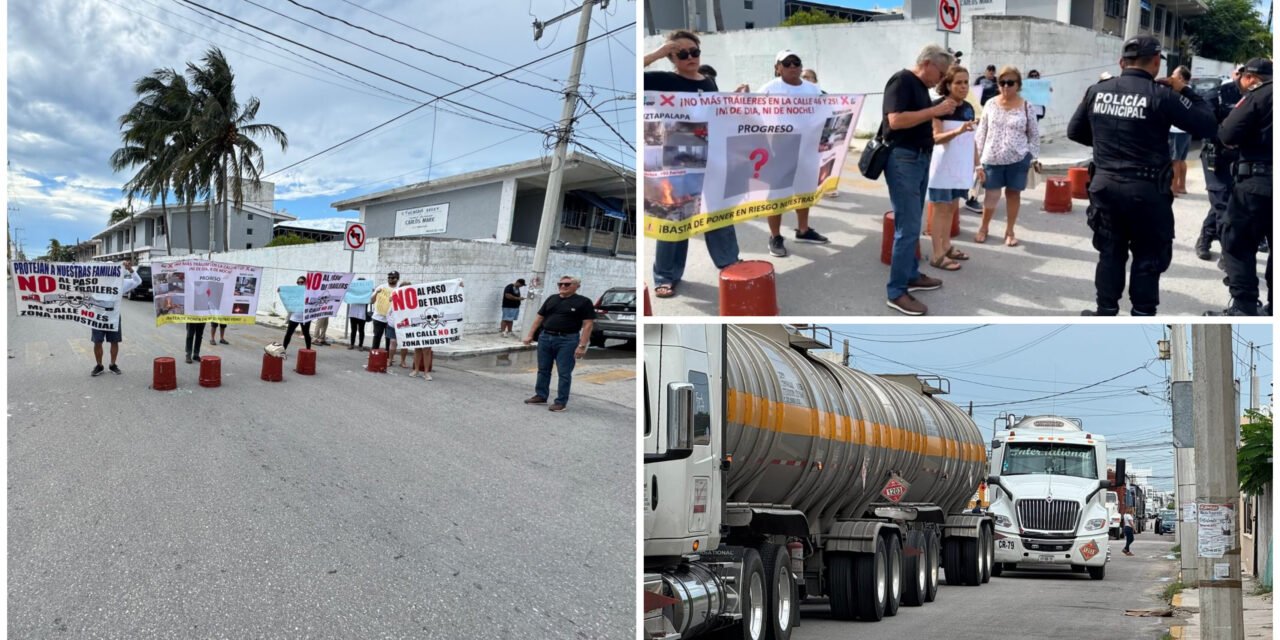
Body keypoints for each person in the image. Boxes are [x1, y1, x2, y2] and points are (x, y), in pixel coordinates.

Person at [1067, 35, 1216, 316]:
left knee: (1110, 251)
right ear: (1157, 62)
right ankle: (1143, 313)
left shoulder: (1097, 90)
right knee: (1148, 255)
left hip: (1105, 185)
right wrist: (1184, 89)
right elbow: (1208, 124)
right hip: (1146, 190)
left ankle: (1105, 311)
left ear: (1122, 62)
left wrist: (1106, 147)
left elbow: (1074, 131)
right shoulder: (1162, 95)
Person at [643, 30, 741, 299]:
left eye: (694, 52)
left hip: (709, 158)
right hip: (676, 162)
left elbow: (714, 117)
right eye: (682, 53)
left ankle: (729, 262)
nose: (690, 57)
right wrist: (657, 53)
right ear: (672, 58)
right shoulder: (662, 80)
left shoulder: (709, 83)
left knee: (718, 213)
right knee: (674, 218)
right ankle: (666, 275)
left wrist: (734, 101)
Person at [881, 44, 955, 316]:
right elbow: (896, 120)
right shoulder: (902, 80)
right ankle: (896, 291)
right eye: (941, 72)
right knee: (908, 227)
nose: (941, 79)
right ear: (927, 63)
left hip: (918, 158)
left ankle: (910, 275)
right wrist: (934, 111)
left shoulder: (921, 87)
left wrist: (935, 109)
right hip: (904, 159)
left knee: (912, 223)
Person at [1212, 57, 1273, 316]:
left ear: (1250, 78)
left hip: (1257, 184)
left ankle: (1244, 307)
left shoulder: (1258, 95)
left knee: (1236, 242)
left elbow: (1227, 133)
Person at [759, 50, 831, 257]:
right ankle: (775, 236)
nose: (792, 66)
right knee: (776, 194)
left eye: (796, 62)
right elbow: (752, 114)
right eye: (787, 63)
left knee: (804, 190)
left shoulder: (813, 89)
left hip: (807, 149)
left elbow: (826, 111)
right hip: (779, 150)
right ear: (777, 68)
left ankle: (803, 229)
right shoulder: (768, 89)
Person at [974, 66, 1041, 247]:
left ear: (1018, 85)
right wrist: (977, 161)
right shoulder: (990, 104)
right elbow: (981, 133)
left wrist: (1030, 156)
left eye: (1010, 83)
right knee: (991, 196)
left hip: (1018, 159)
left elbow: (1034, 134)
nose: (1005, 86)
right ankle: (984, 227)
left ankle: (1010, 231)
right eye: (1002, 82)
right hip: (992, 158)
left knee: (1013, 195)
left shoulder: (1027, 106)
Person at [927, 63, 977, 271]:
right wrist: (958, 131)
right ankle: (937, 254)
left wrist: (978, 165)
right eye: (958, 83)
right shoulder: (938, 106)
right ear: (948, 85)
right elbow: (936, 138)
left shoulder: (968, 108)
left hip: (959, 167)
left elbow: (973, 140)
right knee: (940, 209)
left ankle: (946, 246)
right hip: (941, 167)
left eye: (966, 82)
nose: (963, 86)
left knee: (951, 208)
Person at [522, 275, 595, 412]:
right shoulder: (552, 299)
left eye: (567, 284)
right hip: (545, 337)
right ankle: (541, 395)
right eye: (560, 284)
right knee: (543, 369)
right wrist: (530, 335)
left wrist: (582, 345)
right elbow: (539, 318)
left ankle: (561, 402)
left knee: (564, 373)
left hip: (567, 340)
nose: (562, 286)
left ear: (576, 286)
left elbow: (588, 324)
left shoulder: (584, 302)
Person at [1195, 67, 1243, 261]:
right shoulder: (1218, 94)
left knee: (1226, 199)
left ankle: (1205, 236)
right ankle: (1228, 253)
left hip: (1237, 156)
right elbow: (1205, 124)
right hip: (1214, 154)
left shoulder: (1253, 97)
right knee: (1222, 200)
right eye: (1239, 73)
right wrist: (1223, 136)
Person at [90, 259, 143, 376]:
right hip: (97, 317)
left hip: (113, 318)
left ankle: (113, 364)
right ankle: (99, 365)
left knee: (114, 341)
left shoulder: (120, 283)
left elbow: (138, 281)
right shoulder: (95, 282)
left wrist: (130, 269)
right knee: (97, 342)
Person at [1168, 66, 1194, 196]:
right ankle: (1181, 186)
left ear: (1180, 78)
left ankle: (1173, 189)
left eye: (1173, 74)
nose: (1171, 76)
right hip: (1186, 131)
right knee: (1181, 160)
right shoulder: (1190, 92)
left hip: (1177, 131)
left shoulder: (1179, 92)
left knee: (1175, 160)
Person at [280, 275, 312, 355]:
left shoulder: (309, 292)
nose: (300, 284)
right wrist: (281, 291)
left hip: (305, 318)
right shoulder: (295, 291)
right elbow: (287, 295)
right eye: (298, 282)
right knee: (288, 334)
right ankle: (283, 351)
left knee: (306, 334)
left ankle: (309, 352)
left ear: (306, 283)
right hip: (294, 317)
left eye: (302, 282)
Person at [370, 271, 399, 351]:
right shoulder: (381, 287)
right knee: (377, 336)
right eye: (389, 277)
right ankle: (374, 354)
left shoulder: (399, 289)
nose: (390, 279)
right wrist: (376, 293)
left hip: (391, 319)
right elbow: (372, 301)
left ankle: (388, 356)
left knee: (389, 339)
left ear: (397, 279)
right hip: (378, 317)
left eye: (392, 277)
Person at [347, 278, 369, 351]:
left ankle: (360, 345)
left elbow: (370, 301)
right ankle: (352, 344)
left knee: (361, 330)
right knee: (353, 329)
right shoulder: (353, 291)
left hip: (362, 313)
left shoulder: (366, 292)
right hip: (353, 312)